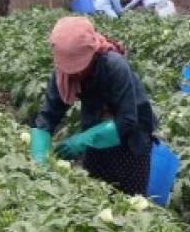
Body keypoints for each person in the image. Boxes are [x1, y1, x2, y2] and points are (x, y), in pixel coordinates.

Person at [30, 17, 157, 196]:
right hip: (97, 135)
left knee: (129, 200)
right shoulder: (64, 75)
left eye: (80, 67)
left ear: (91, 54)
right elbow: (48, 116)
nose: (76, 74)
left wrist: (83, 140)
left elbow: (128, 119)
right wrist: (39, 157)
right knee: (96, 193)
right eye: (70, 70)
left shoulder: (114, 66)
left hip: (131, 139)